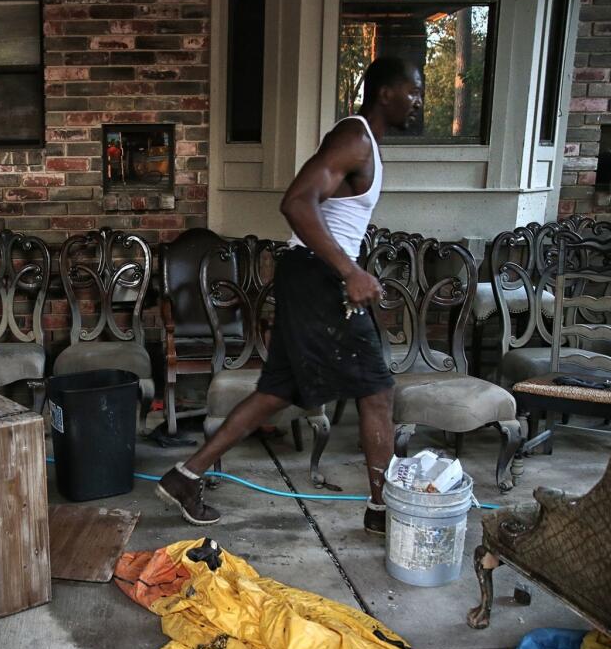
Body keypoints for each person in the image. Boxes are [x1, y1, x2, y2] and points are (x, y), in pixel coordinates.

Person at [155, 57, 423, 535]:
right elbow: (296, 201)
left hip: (311, 278)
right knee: (377, 390)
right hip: (321, 279)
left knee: (276, 391)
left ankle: (184, 475)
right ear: (385, 93)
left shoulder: (366, 145)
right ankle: (383, 513)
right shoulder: (355, 137)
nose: (419, 100)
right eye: (413, 90)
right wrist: (350, 271)